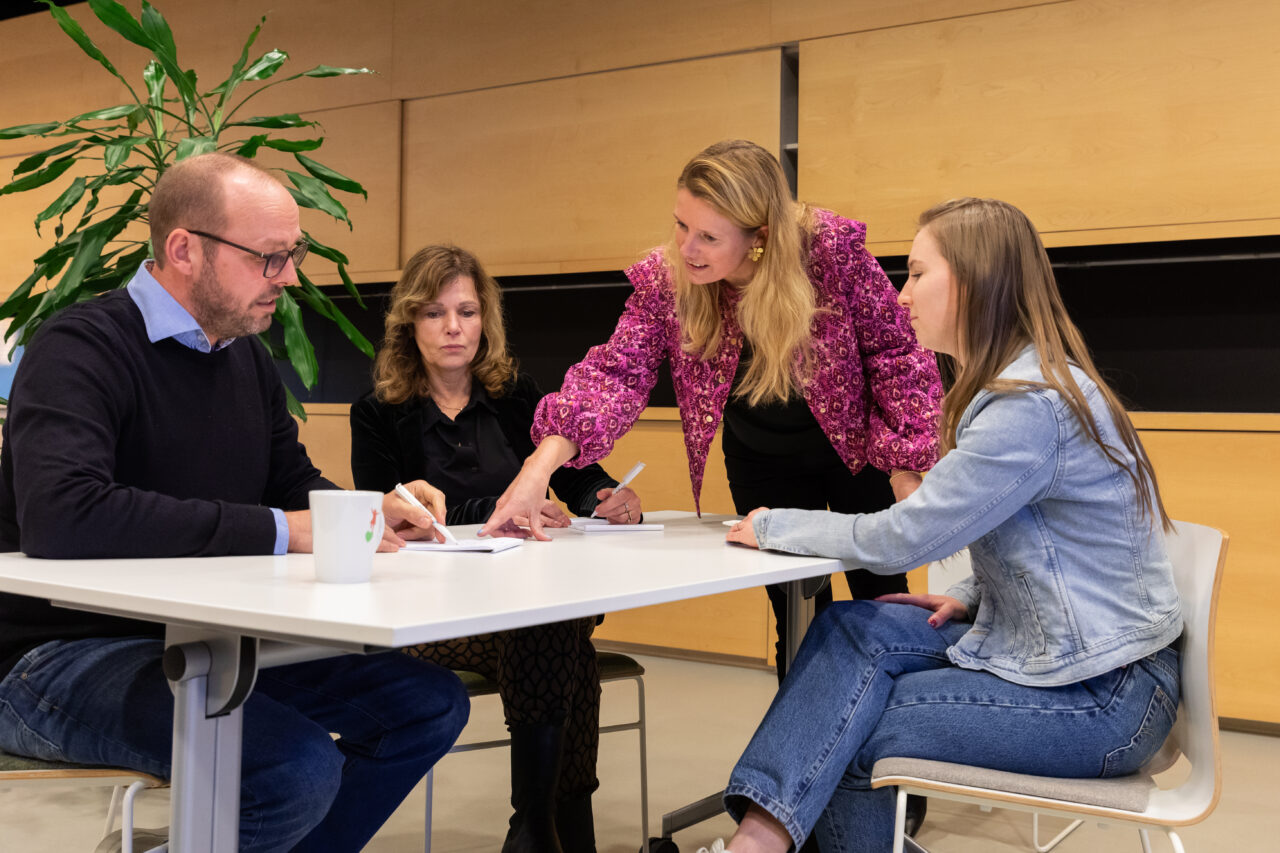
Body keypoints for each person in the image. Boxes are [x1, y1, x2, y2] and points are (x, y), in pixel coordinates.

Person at [0, 153, 470, 853]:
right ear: (184, 249)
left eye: (294, 254)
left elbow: (290, 485)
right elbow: (65, 514)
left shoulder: (243, 356)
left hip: (202, 639)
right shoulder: (79, 348)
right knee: (292, 767)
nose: (289, 277)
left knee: (429, 705)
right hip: (54, 655)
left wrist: (368, 512)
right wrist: (288, 529)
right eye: (270, 258)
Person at [701, 197, 1184, 853]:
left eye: (918, 275)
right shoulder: (1017, 386)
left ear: (975, 284)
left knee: (853, 729)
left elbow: (905, 536)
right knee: (848, 624)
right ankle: (759, 838)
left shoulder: (1029, 405)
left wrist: (773, 524)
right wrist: (977, 595)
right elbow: (1060, 540)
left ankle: (755, 842)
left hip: (1103, 699)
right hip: (1063, 655)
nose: (902, 297)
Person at [479, 139, 944, 682]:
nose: (687, 248)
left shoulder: (829, 252)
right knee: (795, 613)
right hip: (762, 459)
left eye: (708, 236)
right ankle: (807, 745)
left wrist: (910, 464)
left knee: (881, 596)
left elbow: (897, 354)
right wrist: (540, 466)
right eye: (681, 226)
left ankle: (893, 741)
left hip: (855, 454)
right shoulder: (667, 278)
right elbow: (616, 373)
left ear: (759, 240)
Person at [349, 244, 642, 853]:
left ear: (486, 319)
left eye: (466, 311)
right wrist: (497, 513)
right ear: (410, 323)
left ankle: (535, 830)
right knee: (563, 646)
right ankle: (558, 831)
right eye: (434, 314)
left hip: (532, 594)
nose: (453, 328)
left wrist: (605, 495)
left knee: (546, 627)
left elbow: (574, 473)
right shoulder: (378, 413)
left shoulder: (516, 394)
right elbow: (395, 518)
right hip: (433, 612)